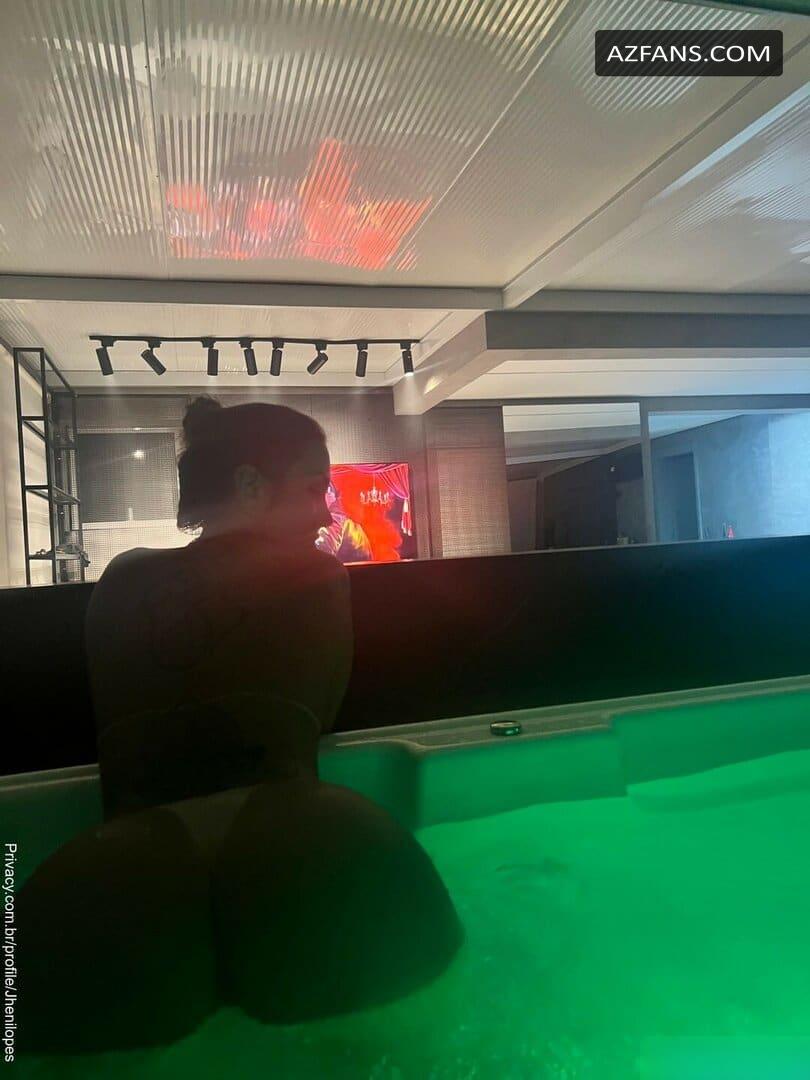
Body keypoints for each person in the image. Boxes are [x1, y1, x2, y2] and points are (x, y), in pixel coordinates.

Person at [17, 397, 463, 1053]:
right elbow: (318, 715)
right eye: (313, 489)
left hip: (114, 872)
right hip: (306, 842)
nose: (325, 514)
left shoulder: (120, 578)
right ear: (250, 483)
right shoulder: (316, 574)